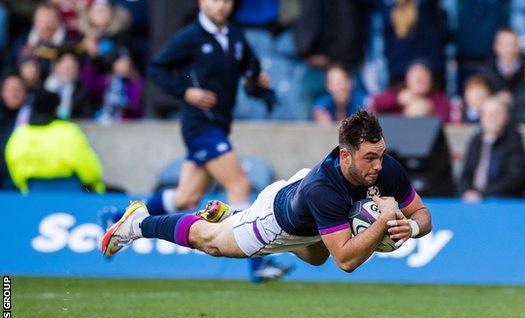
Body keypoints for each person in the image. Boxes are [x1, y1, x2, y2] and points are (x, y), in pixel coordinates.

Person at [101, 110, 432, 273]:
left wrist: (412, 226)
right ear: (345, 155)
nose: (377, 165)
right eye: (369, 158)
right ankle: (137, 223)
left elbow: (423, 214)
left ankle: (232, 215)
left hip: (308, 209)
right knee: (210, 242)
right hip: (274, 219)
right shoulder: (325, 191)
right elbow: (346, 261)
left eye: (380, 154)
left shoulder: (386, 167)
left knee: (317, 257)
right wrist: (385, 220)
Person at [120, 0, 282, 281]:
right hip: (199, 125)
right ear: (202, 3)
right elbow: (156, 69)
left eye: (225, 0)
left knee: (185, 198)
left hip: (218, 125)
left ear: (231, 4)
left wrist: (262, 89)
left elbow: (251, 72)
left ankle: (120, 217)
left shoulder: (234, 36)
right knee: (240, 185)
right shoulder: (190, 37)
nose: (220, 5)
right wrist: (187, 93)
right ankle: (258, 266)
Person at [4, 89, 105, 194]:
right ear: (56, 107)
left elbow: (13, 168)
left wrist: (24, 186)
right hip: (71, 194)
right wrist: (96, 186)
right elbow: (87, 165)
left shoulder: (20, 134)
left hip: (33, 195)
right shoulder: (68, 131)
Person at [459, 98, 525, 202]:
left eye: (496, 114)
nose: (492, 118)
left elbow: (514, 178)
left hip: (501, 200)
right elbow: (466, 174)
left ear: (506, 117)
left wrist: (482, 194)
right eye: (488, 114)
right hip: (472, 199)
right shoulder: (476, 141)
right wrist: (466, 192)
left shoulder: (514, 141)